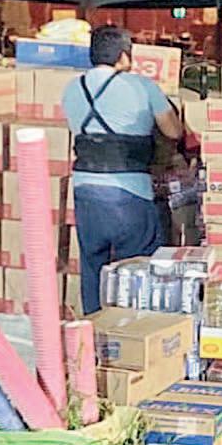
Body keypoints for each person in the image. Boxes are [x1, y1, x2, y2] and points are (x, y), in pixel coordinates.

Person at [62, 26, 184, 313]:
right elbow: (173, 131)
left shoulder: (72, 88)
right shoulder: (142, 86)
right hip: (129, 195)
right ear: (124, 56)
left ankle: (93, 327)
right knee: (138, 270)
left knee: (93, 267)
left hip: (85, 191)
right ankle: (134, 330)